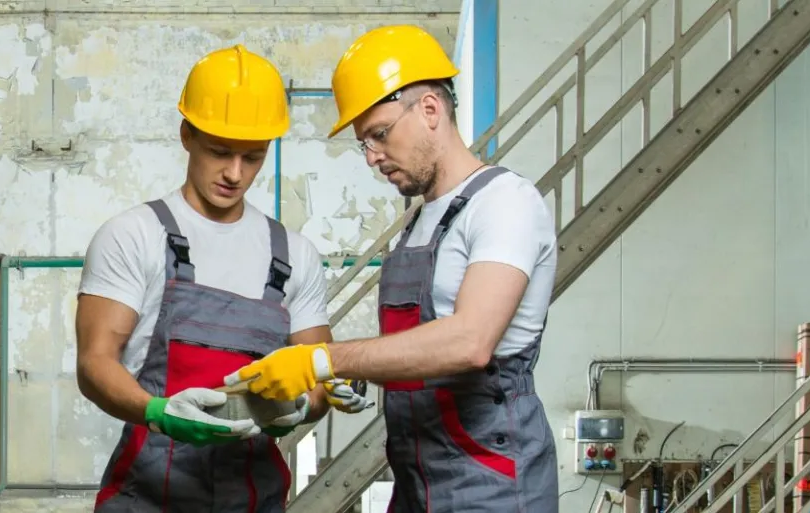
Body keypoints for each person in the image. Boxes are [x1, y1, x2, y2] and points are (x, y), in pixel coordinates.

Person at [221, 24, 561, 511]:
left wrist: (323, 360)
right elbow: (416, 349)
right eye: (365, 143)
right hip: (417, 478)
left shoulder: (505, 203)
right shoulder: (418, 221)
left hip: (491, 481)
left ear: (429, 109)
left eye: (379, 135)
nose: (373, 157)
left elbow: (469, 342)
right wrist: (355, 379)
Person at [75, 44, 372, 513]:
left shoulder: (294, 255)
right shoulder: (133, 235)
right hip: (148, 499)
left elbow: (314, 383)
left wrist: (298, 408)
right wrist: (158, 413)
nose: (235, 174)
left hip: (254, 500)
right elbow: (94, 364)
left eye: (252, 158)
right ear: (186, 134)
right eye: (219, 152)